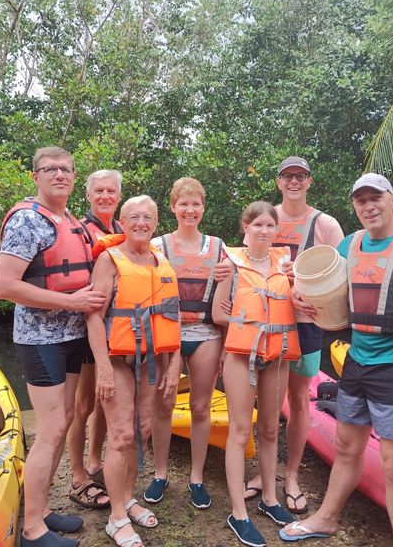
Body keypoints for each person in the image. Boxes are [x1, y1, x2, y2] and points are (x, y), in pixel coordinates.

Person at [280, 173, 393, 545]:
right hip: (357, 362)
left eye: (375, 198)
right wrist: (299, 295)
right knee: (347, 447)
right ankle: (326, 518)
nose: (368, 206)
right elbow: (325, 291)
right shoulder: (349, 246)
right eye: (360, 201)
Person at [0, 146, 107, 547]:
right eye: (50, 169)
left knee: (63, 425)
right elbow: (4, 286)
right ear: (36, 176)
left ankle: (41, 512)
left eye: (66, 169)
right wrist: (71, 302)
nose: (59, 175)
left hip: (72, 337)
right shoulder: (27, 221)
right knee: (52, 429)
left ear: (74, 177)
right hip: (40, 340)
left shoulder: (70, 220)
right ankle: (31, 530)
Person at [243, 156, 344, 515]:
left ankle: (292, 475)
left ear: (309, 181)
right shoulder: (266, 218)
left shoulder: (325, 224)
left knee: (299, 399)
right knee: (264, 399)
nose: (294, 182)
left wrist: (309, 295)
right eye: (288, 176)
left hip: (307, 325)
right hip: (267, 322)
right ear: (279, 182)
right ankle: (261, 473)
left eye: (300, 176)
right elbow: (245, 263)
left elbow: (339, 276)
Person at [85, 195, 183, 547]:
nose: (141, 222)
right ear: (122, 223)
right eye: (134, 217)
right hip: (118, 359)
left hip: (153, 360)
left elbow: (173, 318)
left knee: (142, 430)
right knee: (123, 435)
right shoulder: (109, 260)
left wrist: (174, 365)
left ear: (156, 223)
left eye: (148, 217)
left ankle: (126, 498)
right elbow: (94, 317)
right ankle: (116, 518)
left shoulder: (161, 261)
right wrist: (103, 369)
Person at [212, 201, 300, 547]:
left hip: (278, 355)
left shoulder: (286, 263)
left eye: (269, 226)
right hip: (242, 355)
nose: (264, 231)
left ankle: (270, 499)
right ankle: (238, 513)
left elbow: (299, 300)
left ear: (275, 230)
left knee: (268, 428)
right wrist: (247, 323)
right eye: (257, 225)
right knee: (239, 429)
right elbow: (219, 315)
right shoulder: (229, 264)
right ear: (245, 228)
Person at [144, 177, 226, 508]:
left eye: (196, 204)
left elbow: (231, 294)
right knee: (163, 405)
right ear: (173, 207)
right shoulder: (158, 246)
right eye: (184, 203)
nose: (190, 210)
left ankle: (197, 478)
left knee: (200, 406)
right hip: (169, 335)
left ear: (203, 208)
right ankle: (160, 473)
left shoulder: (219, 246)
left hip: (207, 334)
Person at [67, 169, 123, 510]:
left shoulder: (121, 229)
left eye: (111, 191)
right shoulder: (78, 230)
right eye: (99, 191)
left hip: (116, 327)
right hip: (85, 325)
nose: (105, 196)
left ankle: (94, 460)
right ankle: (76, 473)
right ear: (88, 195)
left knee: (105, 399)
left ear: (118, 196)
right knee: (84, 402)